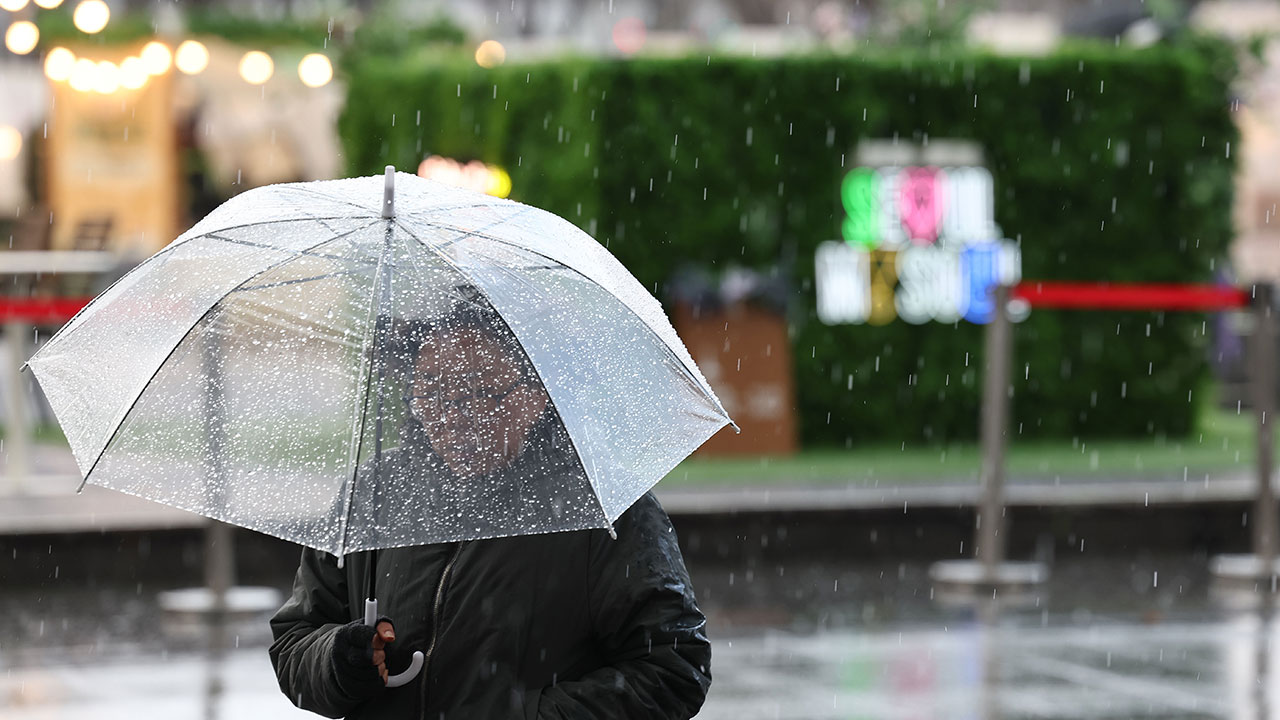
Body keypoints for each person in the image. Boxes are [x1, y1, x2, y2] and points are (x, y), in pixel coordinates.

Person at [268, 300, 712, 719]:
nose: (451, 415)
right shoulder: (375, 492)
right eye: (431, 392)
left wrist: (527, 715)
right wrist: (338, 661)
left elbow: (673, 670)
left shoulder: (600, 510)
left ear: (535, 396)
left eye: (478, 391)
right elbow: (295, 641)